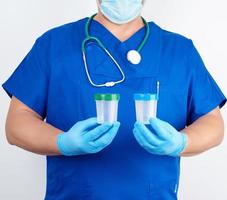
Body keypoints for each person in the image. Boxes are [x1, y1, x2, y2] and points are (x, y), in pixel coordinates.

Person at [2, 0, 226, 199]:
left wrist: (181, 142)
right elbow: (16, 123)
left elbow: (212, 123)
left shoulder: (179, 51)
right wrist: (62, 142)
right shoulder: (53, 44)